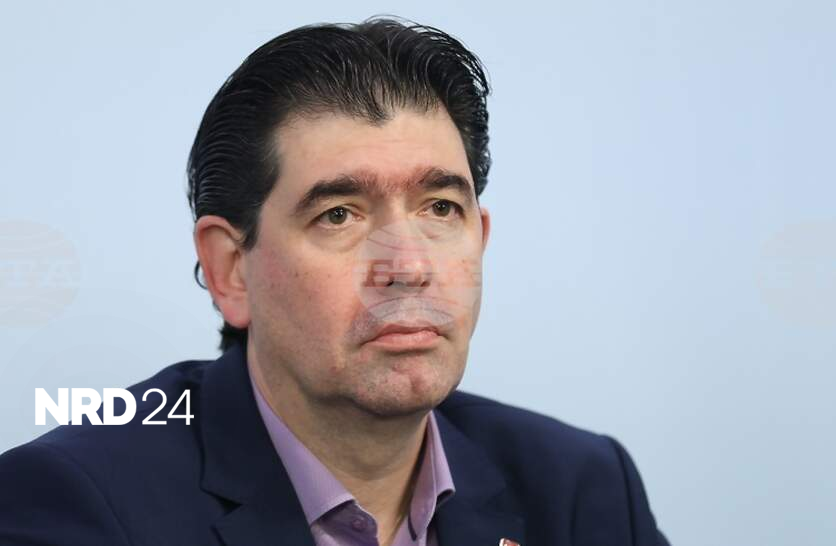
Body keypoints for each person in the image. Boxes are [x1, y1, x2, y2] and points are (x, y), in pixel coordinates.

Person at [0, 16, 671, 546]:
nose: (409, 266)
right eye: (339, 215)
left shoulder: (581, 488)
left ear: (481, 237)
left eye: (441, 209)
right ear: (230, 269)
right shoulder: (76, 502)